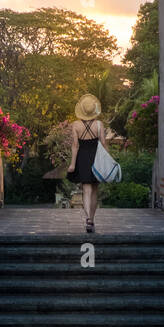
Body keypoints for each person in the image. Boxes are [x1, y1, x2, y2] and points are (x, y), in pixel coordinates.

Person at [66, 93, 107, 232]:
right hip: (96, 158)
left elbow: (75, 146)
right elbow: (103, 143)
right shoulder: (99, 125)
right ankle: (92, 219)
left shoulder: (76, 125)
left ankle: (88, 219)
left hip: (82, 158)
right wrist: (106, 160)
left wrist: (72, 164)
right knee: (95, 190)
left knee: (86, 190)